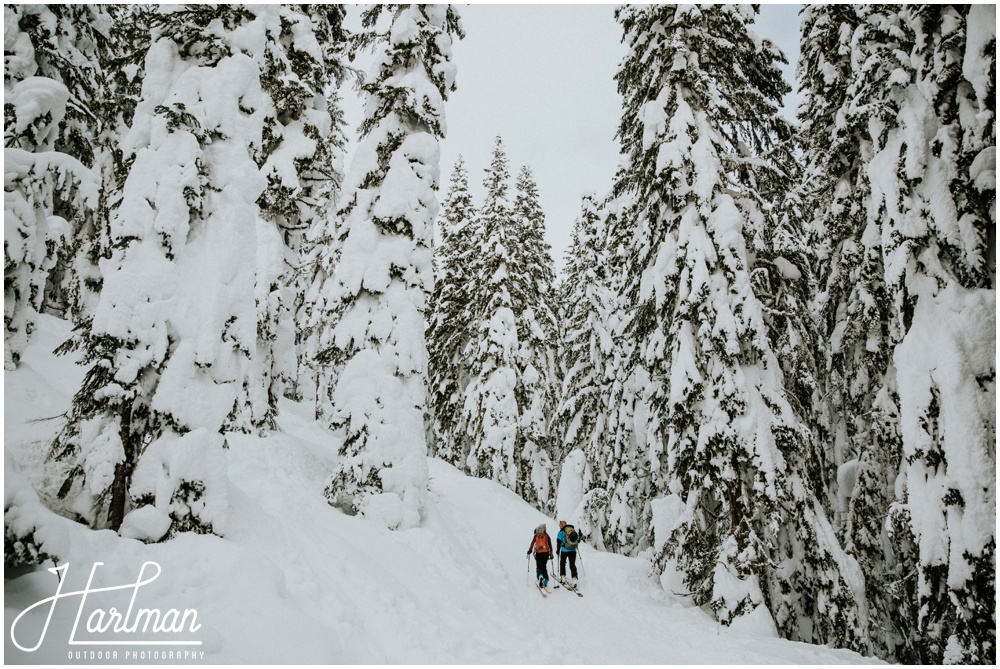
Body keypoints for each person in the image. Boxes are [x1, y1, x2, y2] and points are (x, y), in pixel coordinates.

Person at [526, 523, 553, 589]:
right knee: (544, 566)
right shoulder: (546, 535)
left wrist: (530, 550)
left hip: (538, 553)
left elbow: (532, 543)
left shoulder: (536, 535)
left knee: (539, 566)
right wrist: (551, 553)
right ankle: (546, 580)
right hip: (546, 553)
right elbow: (550, 544)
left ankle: (540, 576)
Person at [556, 520, 579, 584]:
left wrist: (557, 551)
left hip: (564, 550)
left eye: (559, 525)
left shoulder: (561, 532)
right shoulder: (572, 531)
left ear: (561, 525)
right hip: (573, 550)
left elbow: (558, 542)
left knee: (562, 563)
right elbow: (578, 539)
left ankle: (563, 577)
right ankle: (574, 578)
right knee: (572, 564)